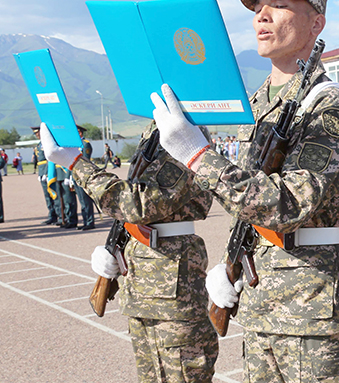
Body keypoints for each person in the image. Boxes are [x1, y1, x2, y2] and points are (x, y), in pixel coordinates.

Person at [150, 0, 339, 383]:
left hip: (313, 300)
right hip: (259, 290)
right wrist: (229, 261)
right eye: (258, 8)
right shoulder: (255, 103)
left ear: (316, 23)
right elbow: (244, 198)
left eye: (280, 6)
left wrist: (198, 154)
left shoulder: (327, 103)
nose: (262, 17)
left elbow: (287, 202)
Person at [40, 121, 219, 382]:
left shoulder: (184, 130)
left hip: (172, 286)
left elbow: (140, 203)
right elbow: (133, 210)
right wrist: (117, 246)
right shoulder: (154, 128)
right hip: (144, 281)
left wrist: (76, 162)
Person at [32, 126, 59, 225]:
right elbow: (38, 161)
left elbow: (50, 159)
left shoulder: (48, 143)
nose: (37, 135)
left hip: (49, 171)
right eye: (36, 134)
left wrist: (47, 172)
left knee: (53, 194)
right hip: (42, 171)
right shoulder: (38, 145)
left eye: (38, 133)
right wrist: (40, 173)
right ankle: (51, 215)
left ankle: (58, 215)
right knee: (47, 196)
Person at [74, 125, 95, 230]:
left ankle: (90, 222)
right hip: (75, 174)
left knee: (86, 200)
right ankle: (86, 220)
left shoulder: (85, 144)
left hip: (83, 175)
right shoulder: (74, 144)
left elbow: (85, 160)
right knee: (81, 200)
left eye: (78, 132)